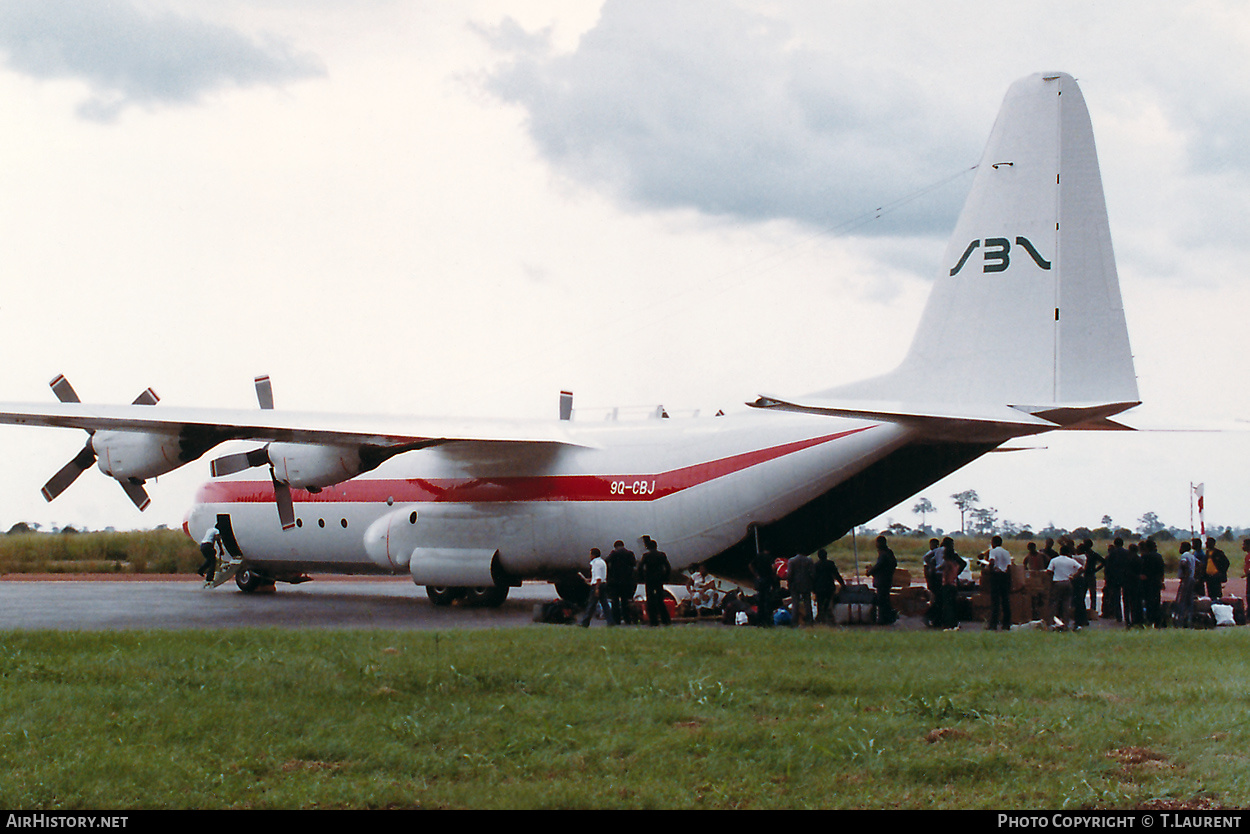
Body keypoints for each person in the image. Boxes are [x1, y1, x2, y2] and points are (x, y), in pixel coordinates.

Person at [1047, 544, 1083, 631]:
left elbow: (1049, 571)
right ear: (1068, 552)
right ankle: (1066, 624)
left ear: (1060, 551)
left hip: (1057, 583)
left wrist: (1051, 578)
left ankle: (1051, 623)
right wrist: (1074, 576)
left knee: (1054, 604)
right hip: (1068, 582)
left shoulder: (1054, 560)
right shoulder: (1071, 561)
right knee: (1066, 604)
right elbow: (1081, 568)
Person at [638, 538, 672, 626]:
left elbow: (640, 567)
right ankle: (665, 619)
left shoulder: (646, 556)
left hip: (649, 579)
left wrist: (642, 577)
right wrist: (665, 577)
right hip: (659, 579)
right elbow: (667, 567)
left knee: (650, 600)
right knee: (660, 599)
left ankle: (653, 620)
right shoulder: (661, 555)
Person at [866, 535, 897, 625]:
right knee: (885, 599)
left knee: (882, 600)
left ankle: (883, 619)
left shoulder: (883, 554)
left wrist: (870, 572)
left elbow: (879, 566)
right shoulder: (889, 552)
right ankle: (888, 617)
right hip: (887, 579)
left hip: (882, 580)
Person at [606, 540, 638, 625]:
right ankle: (627, 619)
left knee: (615, 602)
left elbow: (606, 561)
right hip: (626, 581)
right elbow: (634, 564)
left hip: (615, 582)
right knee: (625, 601)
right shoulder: (630, 553)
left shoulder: (614, 554)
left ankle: (616, 620)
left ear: (615, 547)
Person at [984, 535, 1013, 631]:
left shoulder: (993, 551)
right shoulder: (1006, 552)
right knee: (1005, 601)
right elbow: (1009, 567)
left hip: (996, 576)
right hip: (1005, 576)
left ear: (993, 543)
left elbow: (992, 561)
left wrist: (990, 570)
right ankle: (1006, 624)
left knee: (995, 601)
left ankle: (993, 624)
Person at [580, 548, 613, 627]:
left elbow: (598, 577)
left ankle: (585, 622)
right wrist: (590, 580)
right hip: (602, 584)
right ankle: (610, 621)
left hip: (597, 585)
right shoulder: (602, 562)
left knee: (591, 604)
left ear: (593, 555)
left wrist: (597, 588)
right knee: (605, 604)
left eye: (590, 554)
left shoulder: (596, 563)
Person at [814, 548, 846, 624]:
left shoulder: (816, 565)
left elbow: (813, 577)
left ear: (818, 556)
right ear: (826, 555)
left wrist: (813, 588)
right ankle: (828, 618)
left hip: (819, 588)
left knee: (820, 604)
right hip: (829, 587)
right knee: (828, 603)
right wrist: (842, 584)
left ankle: (821, 619)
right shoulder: (830, 564)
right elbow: (836, 575)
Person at [939, 537, 964, 630]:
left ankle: (947, 623)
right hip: (953, 583)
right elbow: (963, 563)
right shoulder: (955, 561)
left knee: (946, 605)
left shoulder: (946, 562)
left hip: (947, 584)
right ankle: (954, 623)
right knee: (952, 604)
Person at [1140, 539, 1166, 627]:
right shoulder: (1159, 556)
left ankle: (1149, 620)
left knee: (1148, 602)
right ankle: (1158, 621)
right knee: (1156, 602)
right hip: (1157, 581)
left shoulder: (1145, 557)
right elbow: (1162, 570)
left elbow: (1142, 570)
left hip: (1147, 582)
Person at [787, 552, 816, 627]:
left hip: (795, 585)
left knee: (795, 604)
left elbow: (789, 574)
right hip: (806, 584)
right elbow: (813, 573)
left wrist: (789, 584)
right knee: (807, 603)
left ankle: (794, 622)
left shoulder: (791, 561)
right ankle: (809, 621)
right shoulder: (809, 560)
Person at [750, 549, 778, 627]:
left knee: (760, 601)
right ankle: (767, 621)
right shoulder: (770, 557)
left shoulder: (758, 556)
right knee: (767, 601)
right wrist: (774, 576)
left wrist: (756, 574)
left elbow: (750, 565)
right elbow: (774, 567)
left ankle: (759, 621)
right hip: (767, 579)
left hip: (760, 580)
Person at [1175, 541, 1197, 628]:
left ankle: (1180, 620)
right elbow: (1199, 564)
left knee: (1182, 599)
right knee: (1189, 599)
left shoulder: (1184, 555)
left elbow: (1184, 564)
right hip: (1192, 578)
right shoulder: (1192, 555)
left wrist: (1185, 576)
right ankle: (1189, 619)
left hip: (1186, 579)